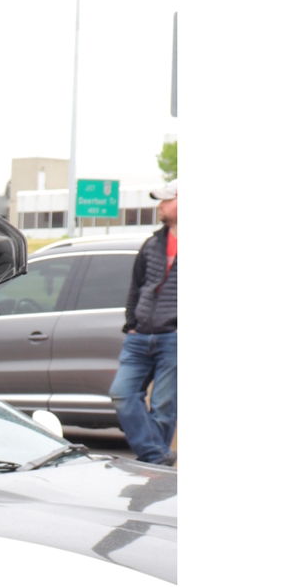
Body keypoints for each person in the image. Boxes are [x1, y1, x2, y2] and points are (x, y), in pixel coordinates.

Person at [113, 183, 176, 465]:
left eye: (166, 200)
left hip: (173, 338)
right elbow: (136, 287)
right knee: (122, 394)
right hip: (139, 336)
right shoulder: (152, 243)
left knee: (163, 405)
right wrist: (132, 324)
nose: (160, 206)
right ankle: (157, 456)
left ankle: (154, 467)